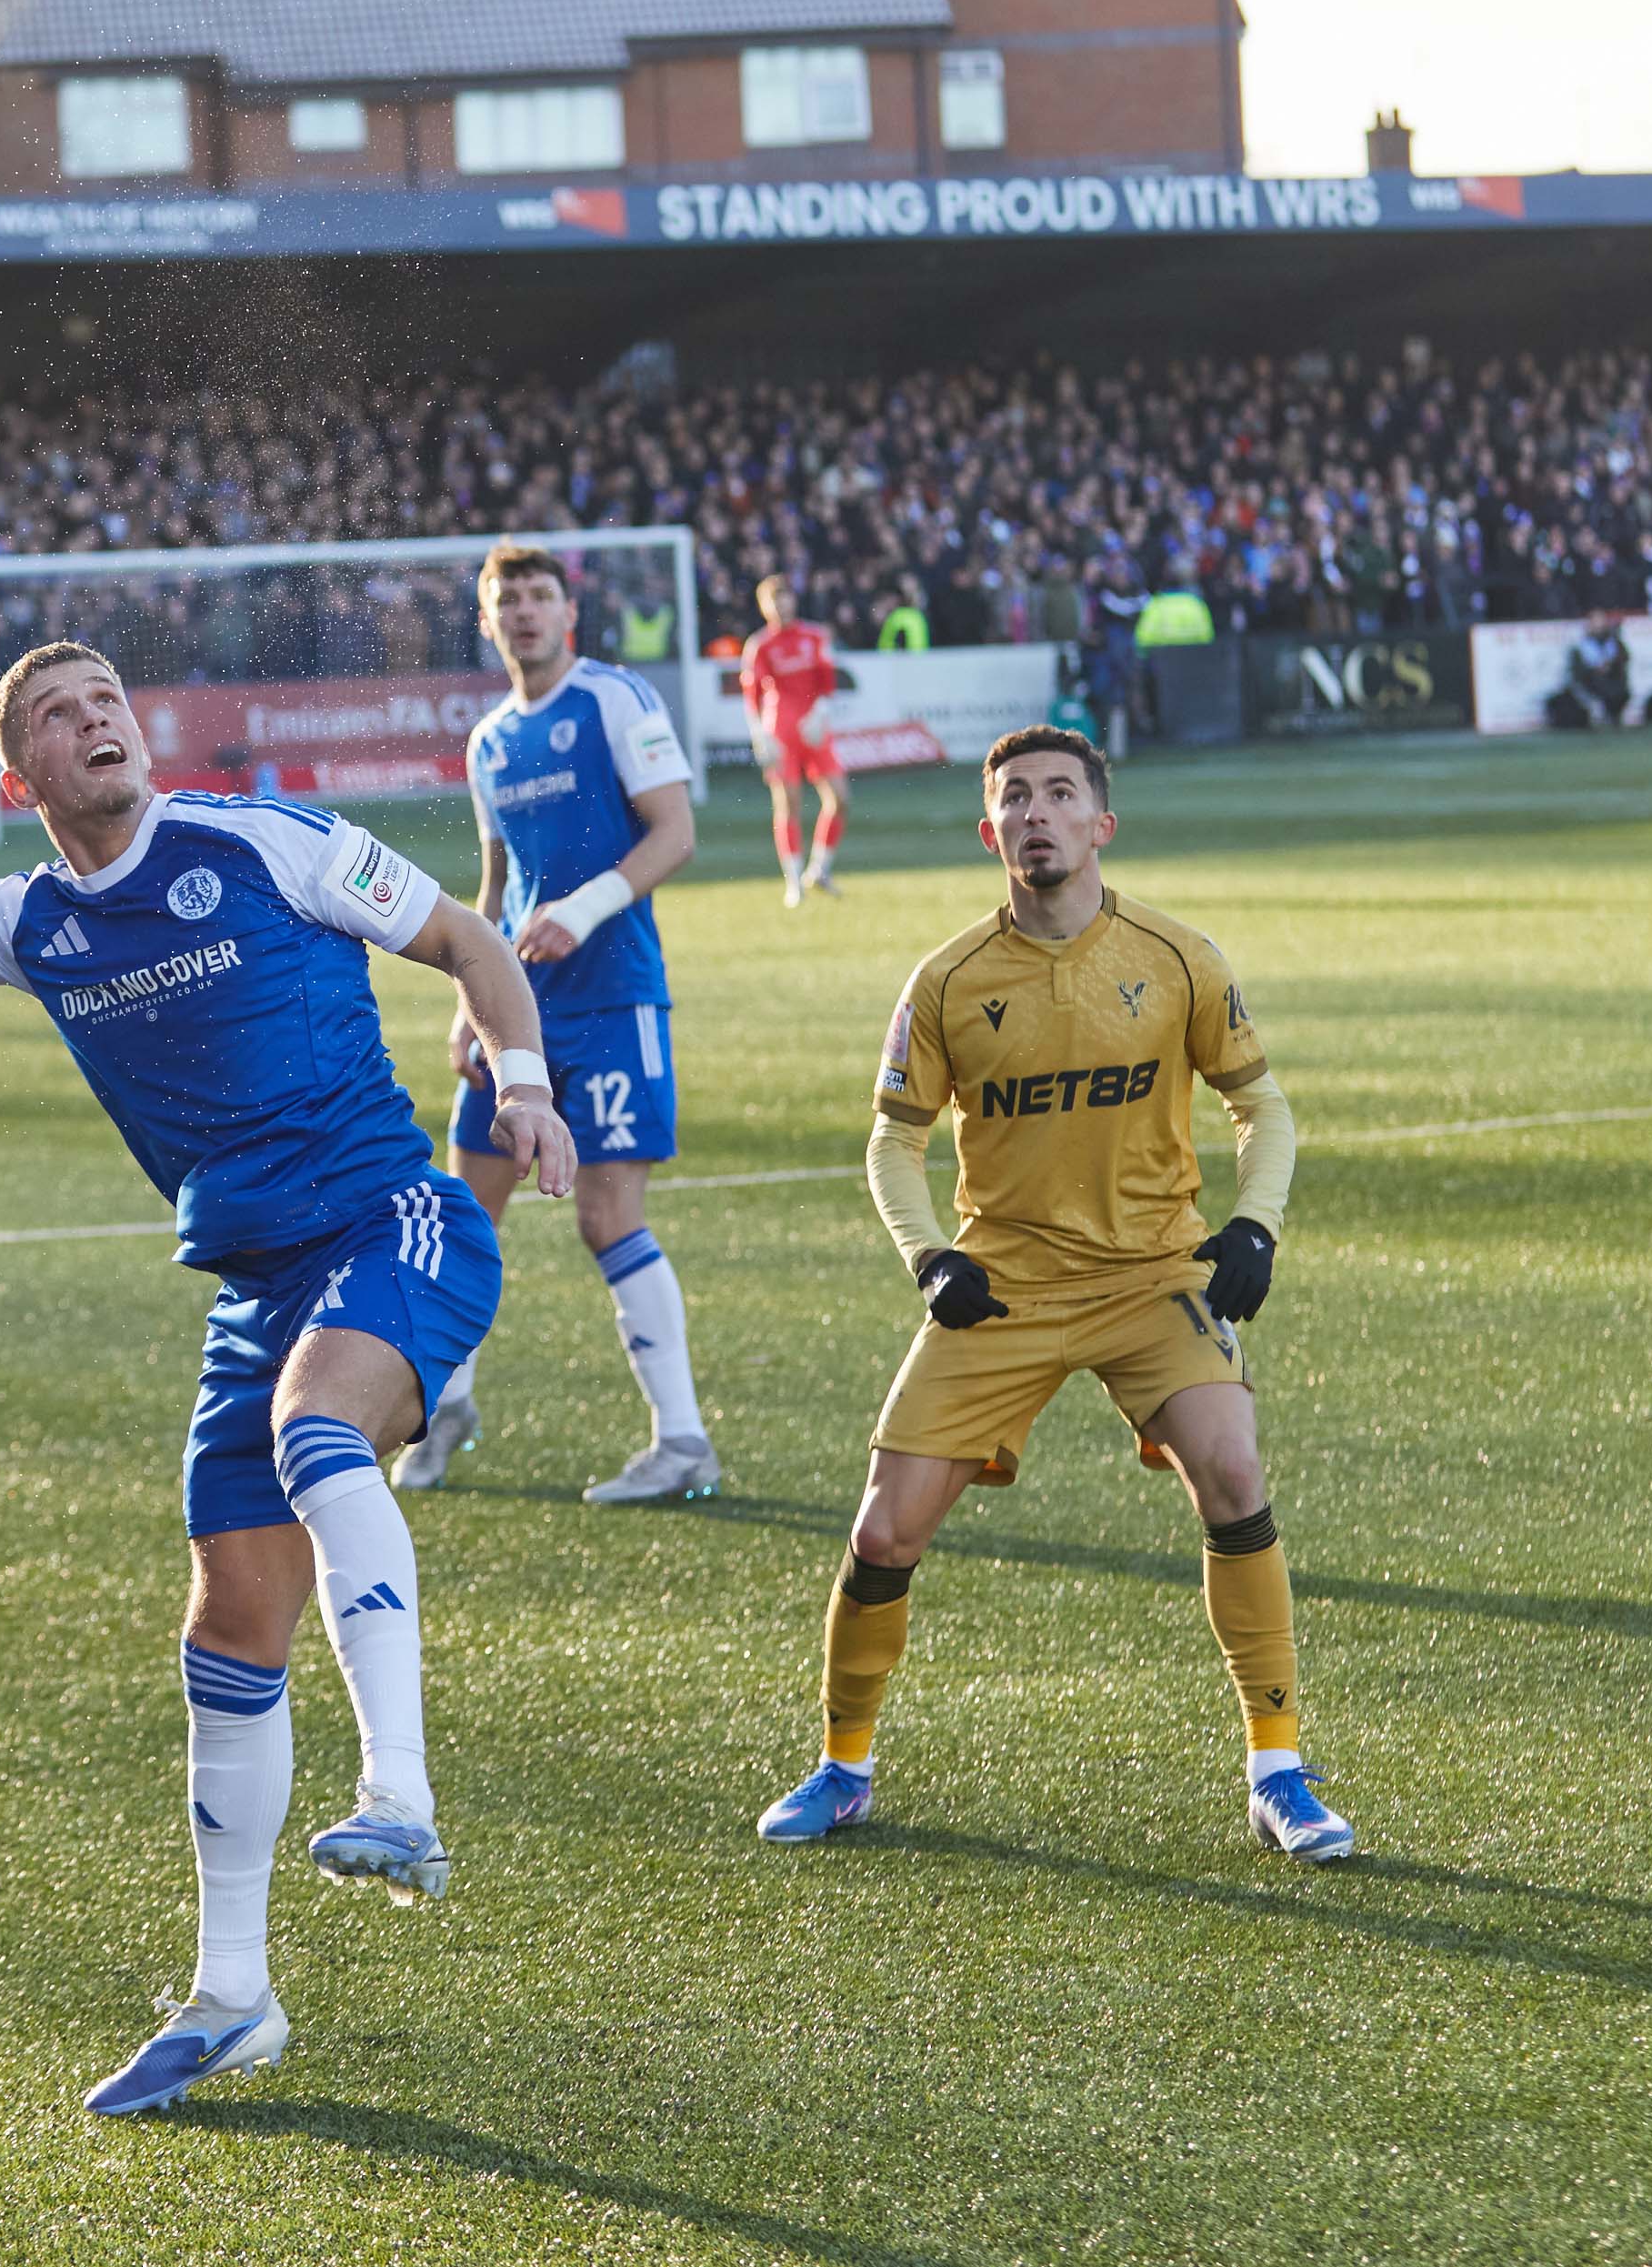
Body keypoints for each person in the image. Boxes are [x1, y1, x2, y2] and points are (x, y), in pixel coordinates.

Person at [0, 623, 575, 2117]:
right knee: (226, 1631)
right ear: (20, 773)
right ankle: (231, 1997)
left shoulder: (264, 842)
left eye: (106, 696)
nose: (94, 717)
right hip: (255, 1291)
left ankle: (401, 1796)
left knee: (318, 1434)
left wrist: (526, 1083)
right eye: (57, 711)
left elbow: (470, 944)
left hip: (393, 1221)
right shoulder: (31, 919)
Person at [758, 726, 1352, 1862]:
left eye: (1060, 793)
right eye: (1016, 797)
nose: (1037, 811)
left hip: (1152, 1273)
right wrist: (930, 1256)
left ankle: (1277, 1768)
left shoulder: (1178, 956)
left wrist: (1255, 1224)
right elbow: (892, 1141)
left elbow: (1262, 1105)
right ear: (989, 832)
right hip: (1006, 1285)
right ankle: (843, 1765)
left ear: (1100, 823)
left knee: (1233, 1470)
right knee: (885, 1526)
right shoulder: (946, 981)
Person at [402, 540, 718, 1508]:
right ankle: (448, 1404)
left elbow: (675, 830)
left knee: (606, 1216)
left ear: (567, 613)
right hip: (519, 1015)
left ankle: (682, 1441)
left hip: (615, 998)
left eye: (540, 595)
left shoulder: (614, 698)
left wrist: (582, 910)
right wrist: (470, 1008)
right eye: (508, 600)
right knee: (464, 1213)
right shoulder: (488, 741)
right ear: (487, 621)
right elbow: (494, 888)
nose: (526, 612)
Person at [738, 577, 851, 908]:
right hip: (781, 729)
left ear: (793, 600)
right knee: (788, 803)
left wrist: (821, 710)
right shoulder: (760, 645)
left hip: (813, 725)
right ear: (764, 607)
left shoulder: (814, 636)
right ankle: (793, 881)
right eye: (773, 600)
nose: (780, 605)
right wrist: (759, 734)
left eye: (784, 598)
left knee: (840, 798)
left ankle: (819, 870)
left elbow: (827, 680)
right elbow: (752, 695)